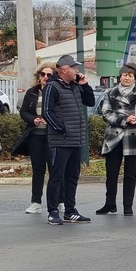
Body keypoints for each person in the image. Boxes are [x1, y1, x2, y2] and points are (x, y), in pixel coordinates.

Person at [42, 54, 96, 225]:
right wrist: (61, 128)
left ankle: (70, 211)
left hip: (75, 140)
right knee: (57, 177)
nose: (77, 71)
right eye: (74, 68)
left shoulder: (74, 86)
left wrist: (85, 85)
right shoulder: (52, 87)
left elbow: (90, 101)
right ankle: (52, 211)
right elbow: (47, 112)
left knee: (72, 176)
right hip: (60, 141)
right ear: (64, 69)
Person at [97, 63, 136, 216]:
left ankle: (128, 206)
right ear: (119, 77)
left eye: (130, 76)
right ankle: (110, 204)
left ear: (134, 78)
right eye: (124, 75)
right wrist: (124, 119)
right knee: (111, 172)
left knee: (130, 174)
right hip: (114, 136)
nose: (127, 78)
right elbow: (106, 114)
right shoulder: (110, 93)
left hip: (134, 137)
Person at [13, 62, 56, 214]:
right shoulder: (32, 92)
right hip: (35, 136)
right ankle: (35, 202)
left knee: (55, 170)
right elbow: (24, 111)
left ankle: (59, 201)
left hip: (53, 137)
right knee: (38, 170)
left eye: (49, 75)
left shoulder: (57, 91)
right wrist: (33, 119)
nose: (45, 77)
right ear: (38, 76)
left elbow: (62, 113)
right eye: (42, 74)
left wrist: (50, 120)